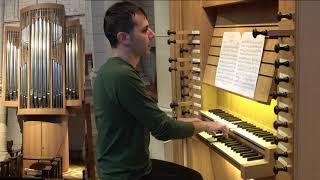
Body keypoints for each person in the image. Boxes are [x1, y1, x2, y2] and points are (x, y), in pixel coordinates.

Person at [93, 1, 229, 180]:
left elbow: (147, 118)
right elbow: (162, 129)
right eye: (144, 30)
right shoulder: (122, 76)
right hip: (125, 175)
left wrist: (187, 122)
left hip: (124, 167)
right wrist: (207, 125)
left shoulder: (111, 70)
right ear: (123, 38)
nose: (152, 34)